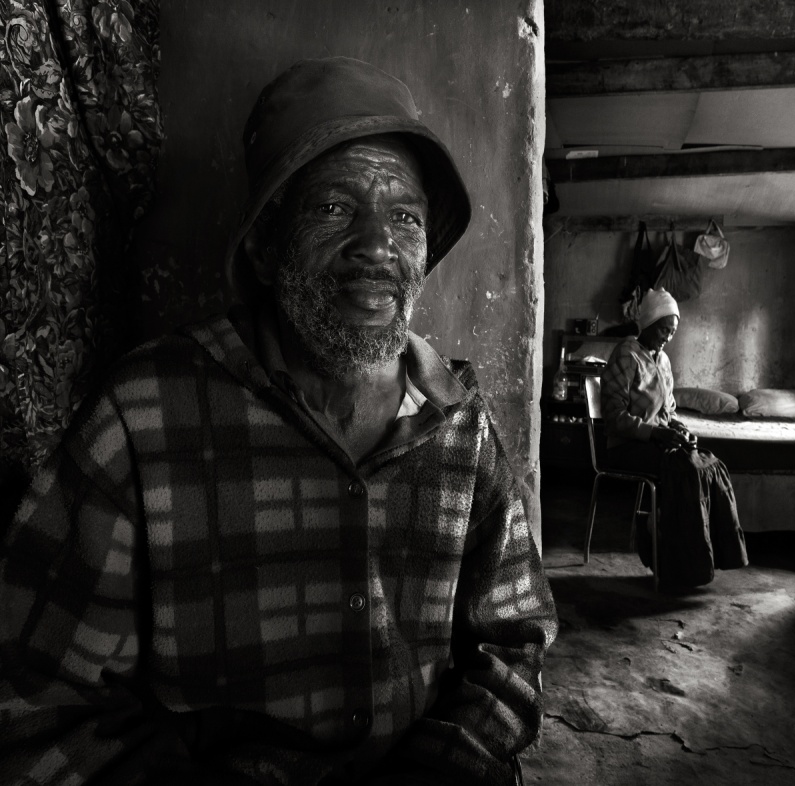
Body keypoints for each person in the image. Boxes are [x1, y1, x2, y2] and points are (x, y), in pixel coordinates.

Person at [0, 57, 557, 786]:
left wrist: (447, 764)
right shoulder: (146, 417)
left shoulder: (459, 425)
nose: (377, 248)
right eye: (333, 208)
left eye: (405, 217)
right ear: (265, 245)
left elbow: (514, 641)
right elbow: (39, 695)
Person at [600, 288, 748, 587]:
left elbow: (669, 410)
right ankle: (673, 562)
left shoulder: (663, 361)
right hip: (625, 446)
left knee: (711, 465)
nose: (668, 337)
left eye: (672, 332)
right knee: (684, 470)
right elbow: (614, 417)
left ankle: (709, 559)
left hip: (654, 442)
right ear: (648, 324)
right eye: (663, 330)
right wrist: (654, 432)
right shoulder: (626, 355)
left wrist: (678, 428)